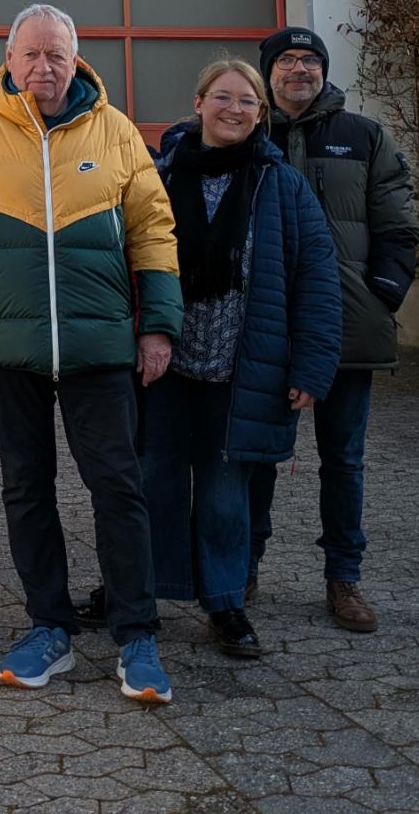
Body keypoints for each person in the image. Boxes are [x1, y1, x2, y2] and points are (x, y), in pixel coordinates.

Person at [0, 4, 180, 704]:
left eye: (55, 55)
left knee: (118, 488)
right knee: (24, 489)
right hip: (9, 348)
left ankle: (136, 632)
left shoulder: (115, 131)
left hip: (100, 348)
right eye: (30, 54)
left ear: (77, 59)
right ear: (8, 59)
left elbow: (154, 230)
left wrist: (158, 326)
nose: (43, 67)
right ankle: (49, 627)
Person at [141, 59, 341, 660]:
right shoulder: (158, 174)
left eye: (248, 102)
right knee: (155, 485)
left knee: (228, 496)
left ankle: (225, 603)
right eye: (223, 98)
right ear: (198, 103)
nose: (235, 110)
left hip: (244, 369)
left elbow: (316, 278)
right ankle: (145, 592)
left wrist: (311, 368)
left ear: (262, 113)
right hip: (162, 366)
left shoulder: (280, 183)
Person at [250, 26, 419, 633]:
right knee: (255, 456)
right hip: (263, 328)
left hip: (347, 327)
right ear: (268, 72)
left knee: (343, 459)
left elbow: (399, 226)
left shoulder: (364, 137)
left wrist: (385, 294)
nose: (300, 69)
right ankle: (244, 568)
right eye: (288, 60)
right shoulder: (246, 128)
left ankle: (343, 579)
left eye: (310, 60)